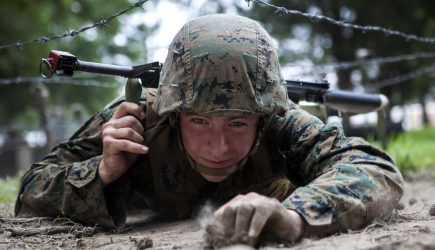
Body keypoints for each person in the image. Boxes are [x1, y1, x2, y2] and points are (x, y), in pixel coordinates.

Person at [15, 14, 404, 246]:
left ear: (261, 116)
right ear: (173, 113)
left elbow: (377, 170)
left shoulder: (280, 122)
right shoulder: (137, 120)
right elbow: (31, 189)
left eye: (237, 123)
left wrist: (294, 216)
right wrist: (101, 172)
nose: (218, 146)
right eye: (199, 120)